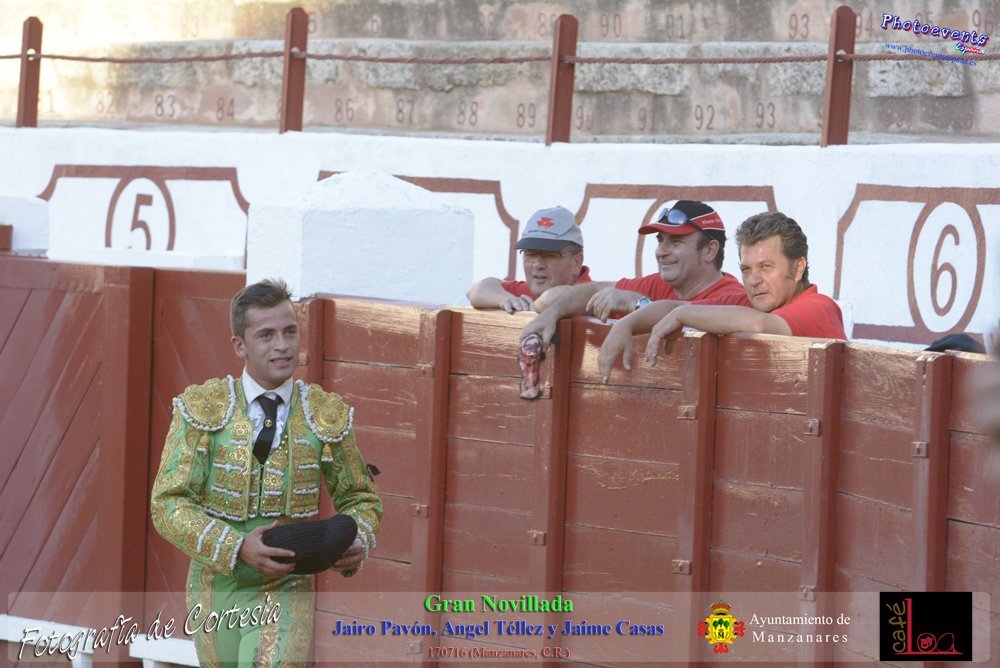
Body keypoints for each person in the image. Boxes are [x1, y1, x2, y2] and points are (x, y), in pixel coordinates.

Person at [151, 279, 382, 667]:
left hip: (288, 583)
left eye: (290, 332)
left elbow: (360, 497)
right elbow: (167, 503)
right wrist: (236, 546)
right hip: (215, 583)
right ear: (239, 345)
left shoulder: (324, 413)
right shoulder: (203, 407)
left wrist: (358, 538)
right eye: (266, 335)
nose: (283, 345)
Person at [599, 211, 846, 381]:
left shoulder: (819, 307)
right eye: (746, 269)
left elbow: (763, 325)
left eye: (766, 267)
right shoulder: (746, 304)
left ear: (798, 268)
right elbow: (673, 307)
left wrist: (683, 314)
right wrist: (627, 323)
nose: (753, 280)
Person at [522, 200, 745, 345]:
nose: (661, 251)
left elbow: (686, 326)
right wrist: (551, 315)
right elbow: (564, 296)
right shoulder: (658, 284)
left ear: (709, 250)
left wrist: (638, 304)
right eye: (660, 241)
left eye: (676, 242)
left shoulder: (732, 298)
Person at [467, 206, 591, 313]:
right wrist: (506, 299)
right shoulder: (537, 289)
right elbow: (476, 290)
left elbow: (551, 299)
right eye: (531, 254)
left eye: (550, 255)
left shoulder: (594, 297)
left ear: (576, 262)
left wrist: (529, 308)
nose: (538, 264)